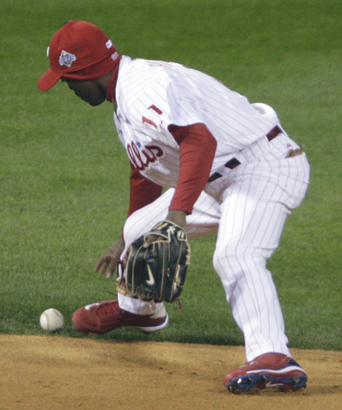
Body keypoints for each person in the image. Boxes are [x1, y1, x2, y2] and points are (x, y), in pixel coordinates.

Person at [38, 20, 310, 393]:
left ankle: (273, 357)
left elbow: (199, 140)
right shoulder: (124, 96)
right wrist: (123, 240)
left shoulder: (141, 90)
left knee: (236, 254)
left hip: (264, 166)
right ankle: (141, 311)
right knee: (139, 230)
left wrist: (177, 215)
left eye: (68, 79)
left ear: (88, 71)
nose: (67, 87)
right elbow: (145, 172)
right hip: (215, 179)